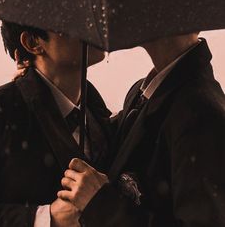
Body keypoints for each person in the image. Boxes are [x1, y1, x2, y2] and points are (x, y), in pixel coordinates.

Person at [59, 33, 225, 226]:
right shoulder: (145, 90)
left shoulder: (200, 114)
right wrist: (41, 83)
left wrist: (102, 204)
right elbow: (107, 139)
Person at [0, 21, 112, 227]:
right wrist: (46, 218)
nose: (92, 26)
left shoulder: (101, 113)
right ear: (32, 42)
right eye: (73, 18)